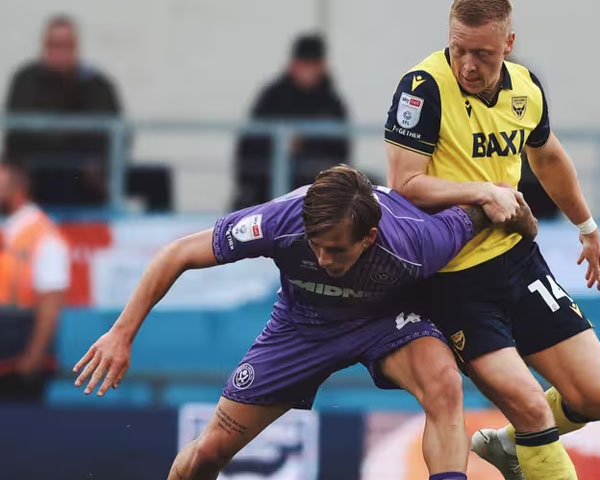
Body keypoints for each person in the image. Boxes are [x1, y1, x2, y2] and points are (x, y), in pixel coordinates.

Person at [73, 165, 537, 480]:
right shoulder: (280, 222)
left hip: (385, 321)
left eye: (335, 249)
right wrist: (122, 333)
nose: (321, 257)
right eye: (315, 244)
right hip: (300, 329)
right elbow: (177, 254)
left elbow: (487, 211)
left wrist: (523, 219)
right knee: (210, 452)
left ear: (371, 236)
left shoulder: (418, 241)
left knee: (444, 384)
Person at [384, 1, 600, 478]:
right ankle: (530, 442)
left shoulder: (525, 89)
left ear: (507, 45)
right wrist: (482, 192)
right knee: (532, 407)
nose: (468, 65)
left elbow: (548, 158)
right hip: (452, 279)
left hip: (516, 261)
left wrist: (587, 227)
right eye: (459, 50)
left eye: (483, 54)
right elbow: (406, 186)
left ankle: (514, 448)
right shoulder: (423, 87)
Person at [3, 14, 122, 206]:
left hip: (85, 172)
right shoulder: (25, 80)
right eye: (54, 45)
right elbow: (19, 132)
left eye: (66, 45)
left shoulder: (95, 83)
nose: (60, 52)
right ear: (44, 46)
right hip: (35, 170)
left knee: (156, 178)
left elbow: (113, 129)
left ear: (76, 47)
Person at [233, 34, 350, 209]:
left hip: (315, 190)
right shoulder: (273, 96)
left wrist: (306, 146)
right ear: (293, 65)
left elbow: (340, 150)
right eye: (304, 64)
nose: (308, 71)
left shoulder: (331, 102)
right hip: (265, 188)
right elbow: (249, 144)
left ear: (322, 67)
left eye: (313, 65)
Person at [0, 163, 70, 403]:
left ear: (18, 189)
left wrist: (34, 354)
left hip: (18, 355)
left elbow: (51, 303)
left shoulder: (44, 236)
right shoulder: (7, 229)